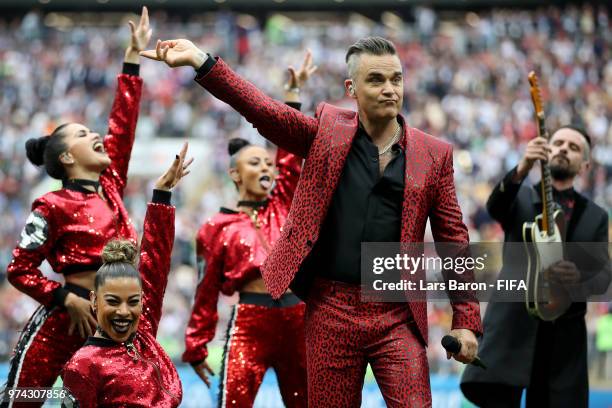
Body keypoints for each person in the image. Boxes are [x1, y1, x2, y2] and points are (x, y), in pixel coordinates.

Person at [142, 36, 482, 406]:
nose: (389, 89)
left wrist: (465, 320)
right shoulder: (328, 133)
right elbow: (264, 112)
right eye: (376, 80)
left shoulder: (434, 155)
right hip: (330, 308)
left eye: (395, 79)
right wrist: (202, 61)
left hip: (397, 311)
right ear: (351, 89)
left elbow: (453, 241)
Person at [0, 8, 151, 407]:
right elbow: (19, 268)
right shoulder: (50, 204)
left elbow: (123, 128)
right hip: (64, 322)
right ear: (67, 157)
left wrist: (132, 61)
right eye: (85, 135)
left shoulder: (111, 186)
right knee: (23, 399)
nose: (97, 135)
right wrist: (63, 298)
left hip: (114, 324)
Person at [182, 52, 316, 407]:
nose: (267, 169)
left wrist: (293, 97)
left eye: (268, 164)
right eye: (255, 163)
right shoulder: (215, 228)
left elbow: (290, 154)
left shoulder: (285, 203)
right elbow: (205, 289)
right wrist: (196, 344)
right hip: (249, 322)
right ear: (235, 174)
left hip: (299, 318)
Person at [461, 126, 611, 407]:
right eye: (558, 143)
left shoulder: (596, 217)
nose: (564, 149)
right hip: (512, 329)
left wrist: (579, 278)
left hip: (563, 340)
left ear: (586, 165)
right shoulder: (519, 197)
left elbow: (603, 276)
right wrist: (522, 167)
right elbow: (494, 207)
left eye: (574, 147)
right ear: (546, 151)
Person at [61, 143, 191, 407]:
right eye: (113, 301)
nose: (124, 311)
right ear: (94, 301)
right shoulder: (82, 366)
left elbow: (155, 264)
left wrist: (162, 194)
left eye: (133, 302)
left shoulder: (143, 334)